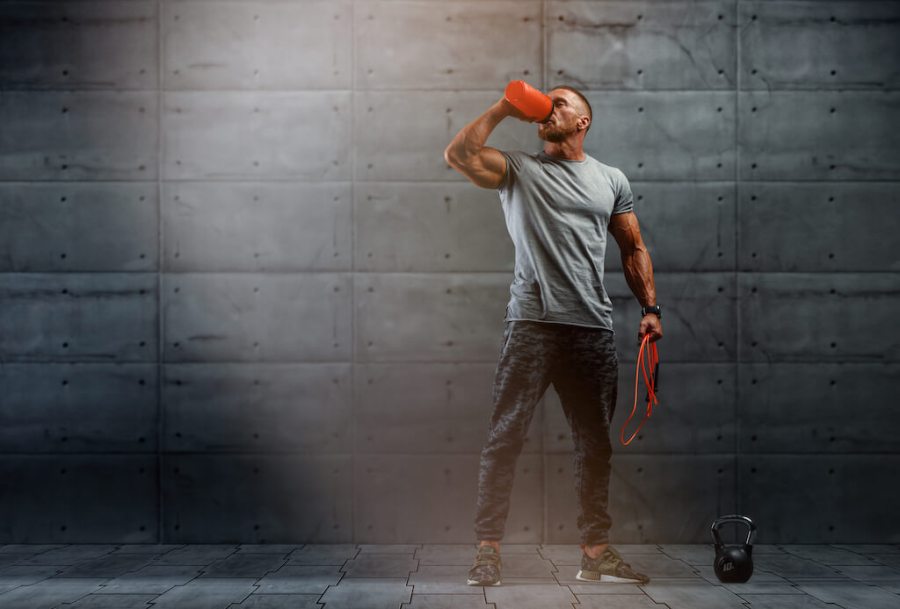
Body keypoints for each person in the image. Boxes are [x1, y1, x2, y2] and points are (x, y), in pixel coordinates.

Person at [443, 85, 663, 586]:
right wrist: (505, 106)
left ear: (583, 121)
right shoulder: (517, 168)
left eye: (561, 103)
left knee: (594, 445)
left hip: (591, 328)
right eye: (549, 101)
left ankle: (595, 554)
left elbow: (633, 247)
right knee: (505, 438)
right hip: (531, 326)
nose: (550, 107)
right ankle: (488, 551)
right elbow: (458, 155)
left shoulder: (610, 179)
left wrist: (651, 308)